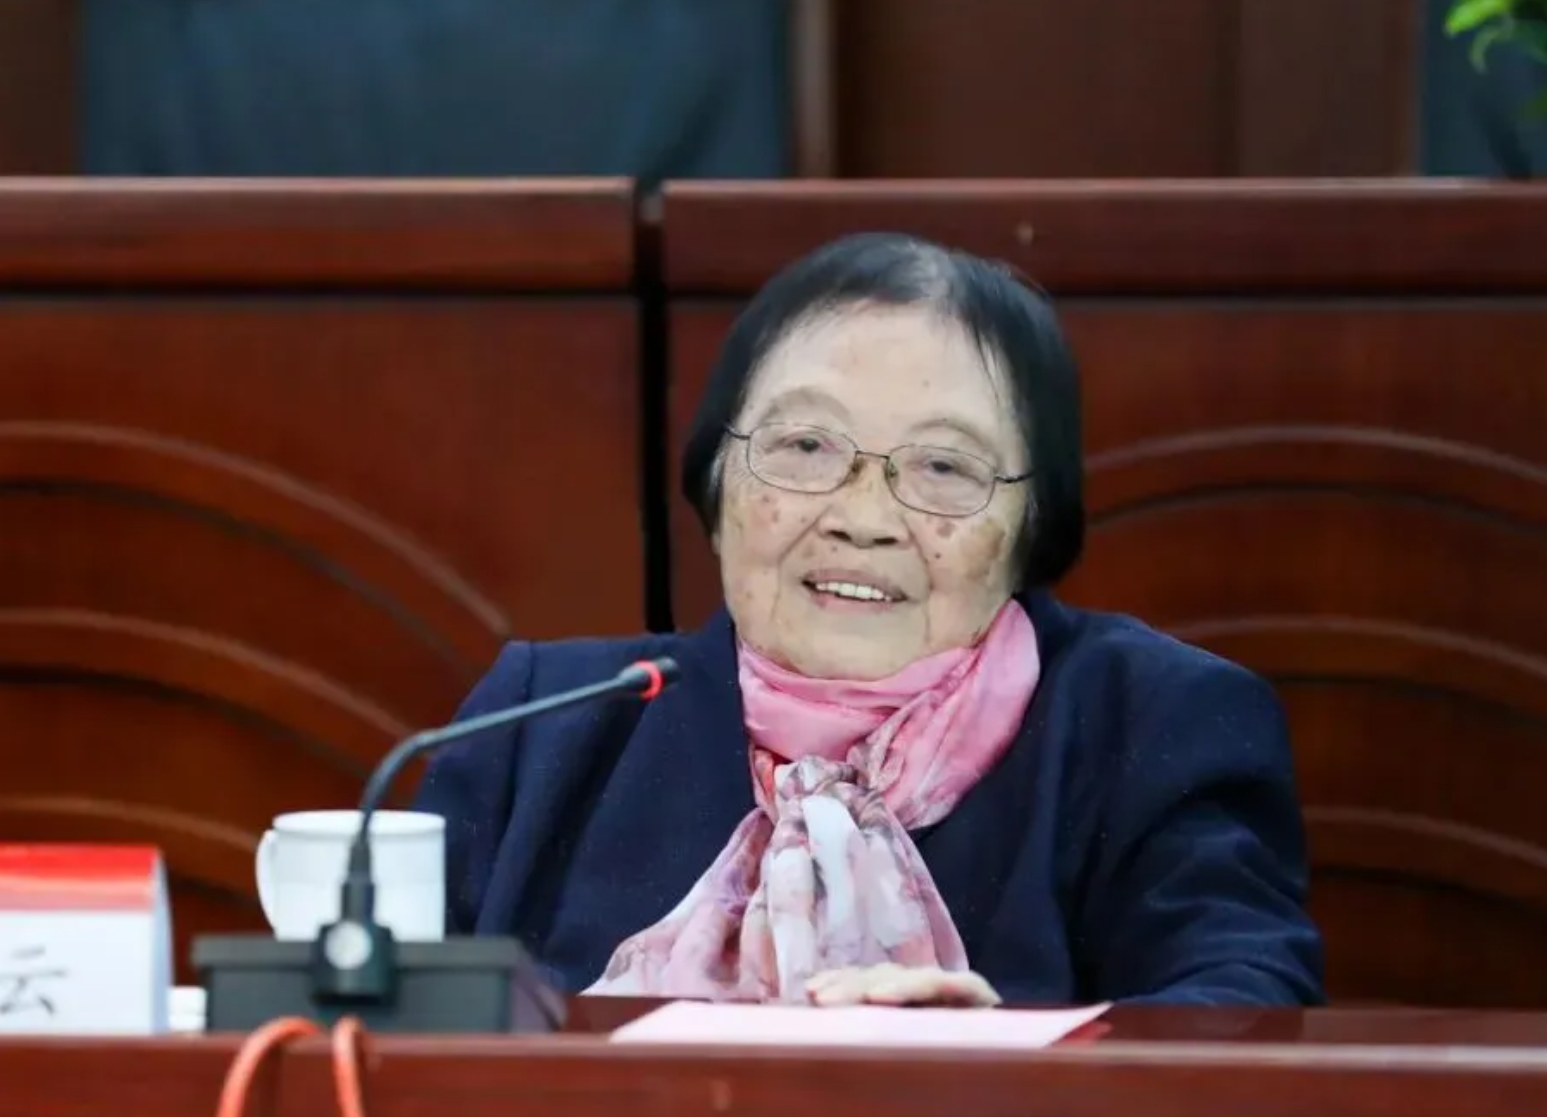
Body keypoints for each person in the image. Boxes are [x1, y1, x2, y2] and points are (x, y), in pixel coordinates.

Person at [413, 232, 1324, 1007]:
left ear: (1031, 526)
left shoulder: (1150, 722)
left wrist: (1011, 1073)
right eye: (806, 445)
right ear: (717, 484)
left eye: (943, 467)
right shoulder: (544, 723)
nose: (863, 517)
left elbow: (1243, 1013)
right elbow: (382, 1021)